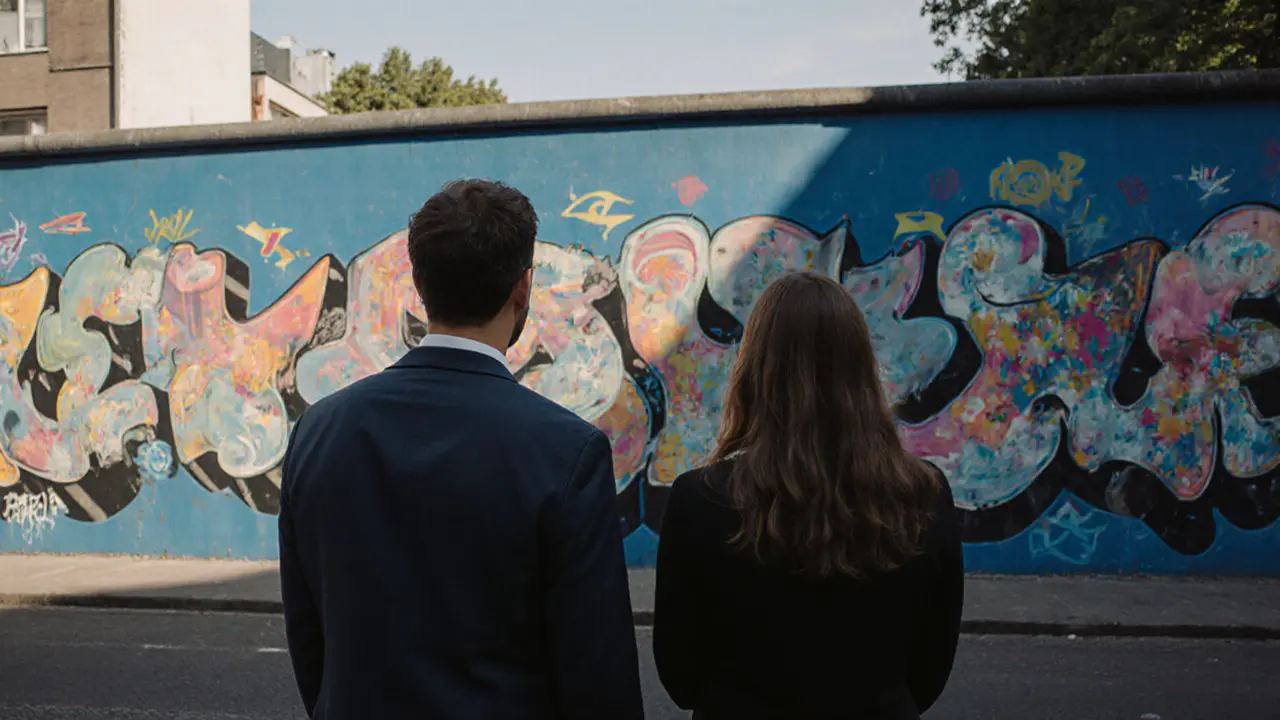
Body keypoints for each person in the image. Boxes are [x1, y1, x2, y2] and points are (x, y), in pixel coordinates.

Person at [279, 179, 644, 720]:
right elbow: (598, 677)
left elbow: (312, 647)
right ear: (523, 289)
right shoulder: (566, 452)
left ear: (419, 283)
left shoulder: (318, 429)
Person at [653, 271, 964, 720]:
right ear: (861, 368)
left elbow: (682, 676)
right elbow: (929, 672)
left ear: (755, 369)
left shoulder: (700, 501)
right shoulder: (923, 496)